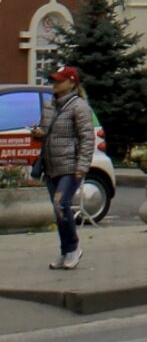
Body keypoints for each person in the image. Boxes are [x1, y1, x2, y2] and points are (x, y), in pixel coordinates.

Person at [35, 65, 94, 271]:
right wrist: (38, 133)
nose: (55, 84)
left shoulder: (79, 106)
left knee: (61, 204)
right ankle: (65, 250)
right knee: (58, 210)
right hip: (51, 165)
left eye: (59, 80)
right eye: (54, 80)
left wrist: (82, 166)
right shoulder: (50, 106)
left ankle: (74, 248)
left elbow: (87, 138)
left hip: (70, 165)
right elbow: (45, 130)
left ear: (71, 83)